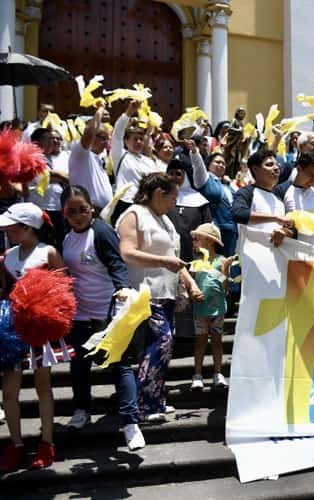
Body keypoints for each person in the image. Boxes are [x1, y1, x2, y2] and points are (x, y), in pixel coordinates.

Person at [59, 186, 145, 450]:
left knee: (118, 365)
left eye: (82, 209)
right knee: (79, 367)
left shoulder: (102, 231)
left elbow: (117, 263)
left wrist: (121, 288)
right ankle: (82, 410)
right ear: (64, 213)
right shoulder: (66, 238)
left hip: (107, 311)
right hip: (80, 314)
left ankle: (131, 423)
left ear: (92, 208)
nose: (77, 216)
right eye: (71, 211)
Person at [116, 173, 203, 422]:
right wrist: (164, 262)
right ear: (157, 194)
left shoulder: (165, 219)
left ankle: (156, 398)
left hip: (167, 292)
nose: (175, 203)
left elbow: (175, 258)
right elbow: (128, 252)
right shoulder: (134, 214)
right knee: (160, 343)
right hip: (145, 291)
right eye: (173, 197)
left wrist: (190, 282)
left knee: (165, 345)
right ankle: (145, 404)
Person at [0, 203, 71, 471]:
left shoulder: (48, 253)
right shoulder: (6, 256)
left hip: (40, 331)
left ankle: (46, 442)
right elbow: (4, 294)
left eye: (11, 226)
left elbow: (64, 292)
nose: (7, 230)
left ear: (28, 228)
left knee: (43, 387)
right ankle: (16, 444)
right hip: (11, 332)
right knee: (9, 392)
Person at [189, 223, 228, 391]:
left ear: (210, 241)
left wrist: (225, 271)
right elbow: (189, 283)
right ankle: (197, 374)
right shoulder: (195, 263)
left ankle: (217, 373)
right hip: (200, 309)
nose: (194, 241)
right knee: (200, 340)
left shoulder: (222, 261)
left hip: (217, 308)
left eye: (198, 238)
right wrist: (192, 293)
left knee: (217, 340)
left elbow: (225, 286)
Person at [231, 149, 294, 247]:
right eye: (269, 165)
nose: (276, 168)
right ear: (256, 169)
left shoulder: (279, 200)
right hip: (250, 258)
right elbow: (238, 214)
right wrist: (275, 218)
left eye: (277, 164)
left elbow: (288, 229)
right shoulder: (247, 192)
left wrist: (284, 232)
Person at [111, 100, 160, 225]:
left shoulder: (149, 162)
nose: (138, 142)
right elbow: (117, 133)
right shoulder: (121, 155)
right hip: (125, 204)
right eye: (134, 139)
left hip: (145, 206)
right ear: (126, 141)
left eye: (140, 139)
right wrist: (129, 111)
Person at [188, 144, 238, 256]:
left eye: (223, 163)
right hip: (213, 232)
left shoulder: (227, 185)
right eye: (217, 162)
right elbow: (198, 166)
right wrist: (195, 152)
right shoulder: (205, 179)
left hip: (232, 232)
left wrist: (231, 183)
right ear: (209, 165)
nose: (220, 165)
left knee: (228, 265)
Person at [27, 127, 68, 246]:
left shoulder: (51, 158)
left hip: (57, 207)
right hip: (41, 207)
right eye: (48, 139)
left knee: (60, 241)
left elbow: (65, 177)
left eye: (53, 139)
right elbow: (42, 178)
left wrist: (56, 175)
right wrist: (58, 174)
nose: (52, 142)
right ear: (37, 142)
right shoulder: (31, 158)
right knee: (43, 242)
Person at [67, 107, 113, 212]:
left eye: (107, 139)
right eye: (102, 137)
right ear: (93, 137)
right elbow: (89, 132)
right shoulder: (81, 154)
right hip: (85, 213)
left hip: (102, 213)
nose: (106, 142)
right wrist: (100, 111)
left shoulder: (100, 158)